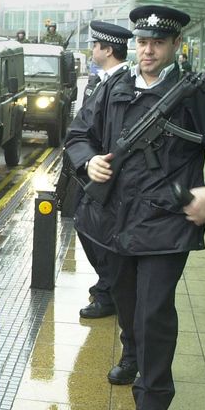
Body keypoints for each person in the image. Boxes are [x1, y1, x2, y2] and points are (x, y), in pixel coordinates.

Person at [65, 5, 205, 410]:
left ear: (175, 46)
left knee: (154, 313)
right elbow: (78, 135)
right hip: (111, 219)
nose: (147, 50)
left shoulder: (195, 95)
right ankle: (132, 353)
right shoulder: (115, 87)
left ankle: (151, 400)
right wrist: (88, 159)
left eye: (157, 43)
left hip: (164, 224)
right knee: (127, 302)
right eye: (142, 42)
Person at [72, 20, 133, 320]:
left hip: (106, 176)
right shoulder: (107, 80)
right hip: (94, 170)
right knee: (88, 228)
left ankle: (108, 293)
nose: (92, 49)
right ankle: (107, 290)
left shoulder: (120, 85)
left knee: (96, 233)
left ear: (107, 49)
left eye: (96, 45)